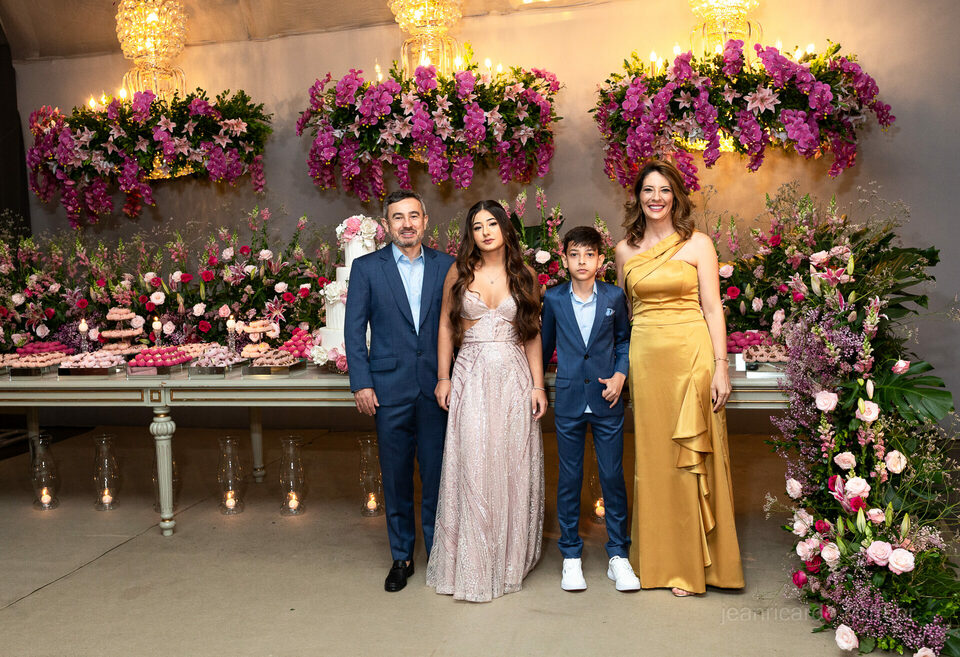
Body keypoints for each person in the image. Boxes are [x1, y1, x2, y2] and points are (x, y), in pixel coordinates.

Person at [615, 160, 744, 597]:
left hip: (692, 357)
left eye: (664, 190)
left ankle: (694, 565)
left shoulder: (699, 244)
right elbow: (625, 315)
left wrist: (721, 366)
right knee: (654, 459)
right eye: (648, 190)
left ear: (676, 197)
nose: (656, 198)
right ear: (638, 197)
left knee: (690, 454)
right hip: (647, 359)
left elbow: (712, 308)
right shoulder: (623, 251)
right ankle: (661, 560)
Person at [426, 200, 547, 602]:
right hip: (471, 376)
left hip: (513, 377)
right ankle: (473, 561)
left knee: (510, 463)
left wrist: (538, 386)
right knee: (474, 460)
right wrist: (444, 377)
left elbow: (531, 334)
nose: (485, 232)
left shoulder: (524, 274)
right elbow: (446, 327)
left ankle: (508, 559)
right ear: (471, 235)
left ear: (505, 228)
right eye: (477, 227)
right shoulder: (459, 272)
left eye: (492, 224)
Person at [344, 190, 456, 593]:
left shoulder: (448, 265)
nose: (406, 224)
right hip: (388, 388)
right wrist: (362, 382)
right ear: (386, 225)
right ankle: (402, 556)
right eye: (398, 217)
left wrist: (454, 377)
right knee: (395, 477)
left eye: (413, 216)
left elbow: (458, 326)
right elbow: (354, 330)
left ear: (425, 221)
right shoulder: (366, 268)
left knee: (438, 475)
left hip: (436, 387)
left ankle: (440, 555)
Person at [540, 226, 641, 592]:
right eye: (574, 254)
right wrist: (538, 386)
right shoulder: (554, 299)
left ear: (601, 260)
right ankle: (570, 555)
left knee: (612, 476)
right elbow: (543, 347)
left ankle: (618, 555)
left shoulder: (614, 296)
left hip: (606, 398)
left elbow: (624, 341)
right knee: (569, 478)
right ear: (564, 259)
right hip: (569, 400)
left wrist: (620, 375)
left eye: (589, 254)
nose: (582, 261)